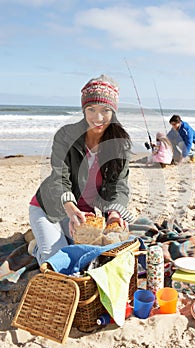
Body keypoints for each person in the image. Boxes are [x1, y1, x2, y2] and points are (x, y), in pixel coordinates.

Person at [28, 74, 134, 266]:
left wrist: (114, 215)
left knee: (95, 259)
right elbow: (59, 178)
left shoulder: (119, 145)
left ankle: (47, 237)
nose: (98, 117)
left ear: (114, 111)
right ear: (84, 109)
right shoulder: (65, 136)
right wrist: (70, 209)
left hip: (86, 215)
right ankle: (35, 246)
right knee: (56, 261)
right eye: (91, 109)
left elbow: (119, 186)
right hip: (50, 208)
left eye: (105, 110)